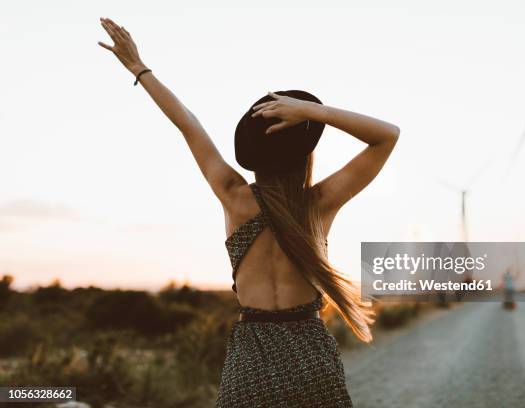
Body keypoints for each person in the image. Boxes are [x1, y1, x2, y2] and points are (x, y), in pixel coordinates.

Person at [98, 17, 400, 407]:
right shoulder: (318, 205)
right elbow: (386, 136)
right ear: (305, 155)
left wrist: (140, 69)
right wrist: (312, 111)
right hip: (309, 352)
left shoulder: (234, 195)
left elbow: (188, 124)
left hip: (251, 354)